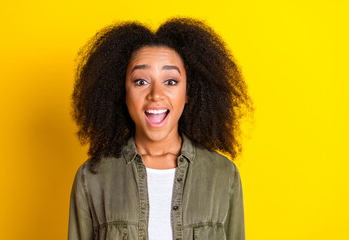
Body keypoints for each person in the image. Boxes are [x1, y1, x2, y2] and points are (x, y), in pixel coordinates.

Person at [68, 17, 252, 240]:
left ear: (188, 93)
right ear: (122, 92)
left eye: (171, 81)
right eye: (141, 81)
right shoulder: (92, 178)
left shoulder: (223, 175)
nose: (155, 94)